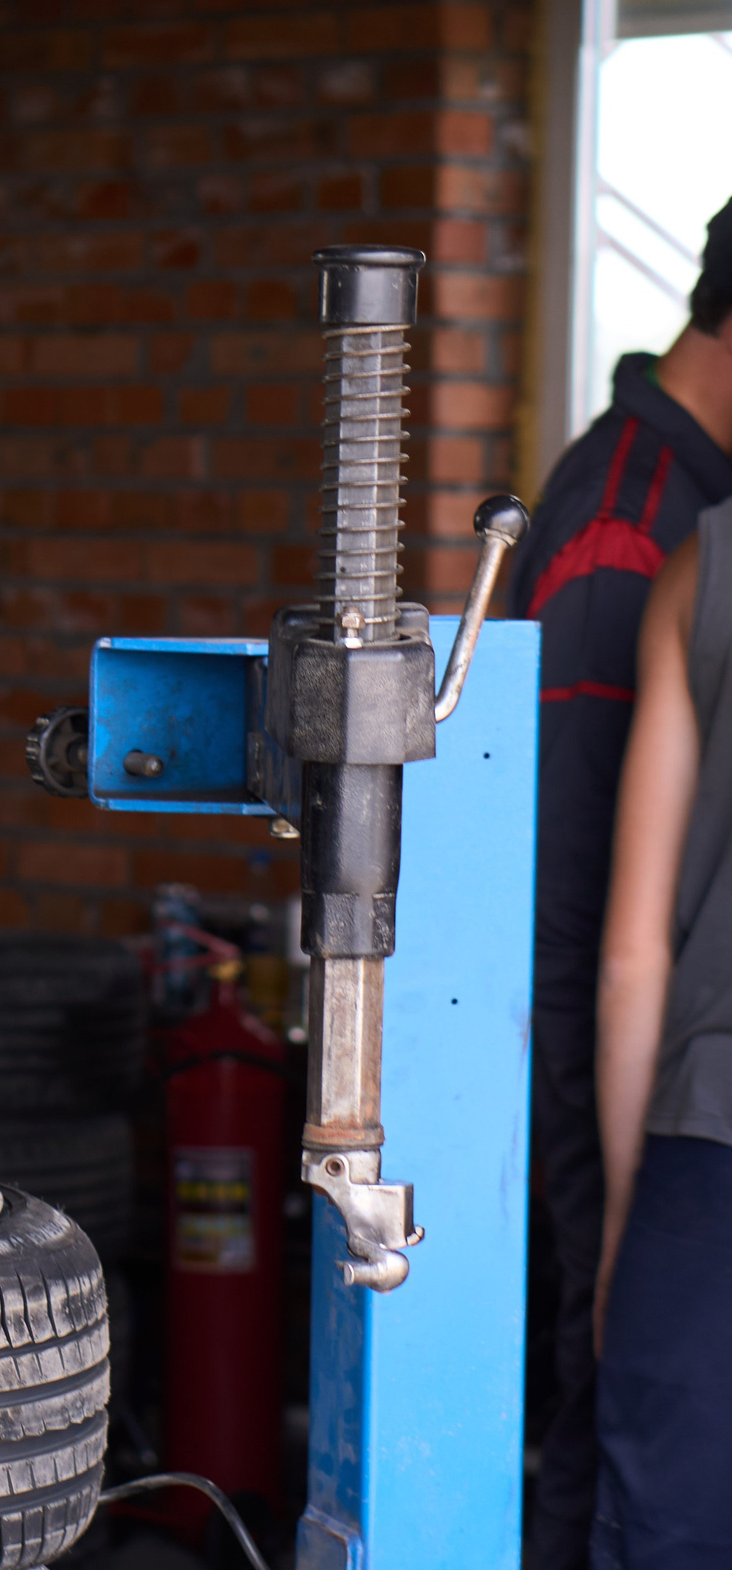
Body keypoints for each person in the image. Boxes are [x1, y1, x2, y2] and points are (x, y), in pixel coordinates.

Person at [507, 197, 732, 1570]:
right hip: (621, 1112)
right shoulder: (634, 530)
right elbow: (583, 915)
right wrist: (615, 1215)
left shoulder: (697, 520)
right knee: (611, 1457)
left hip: (669, 1102)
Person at [589, 496, 732, 1567]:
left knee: (669, 1533)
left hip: (706, 1149)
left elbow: (635, 950)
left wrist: (624, 1220)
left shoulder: (705, 564)